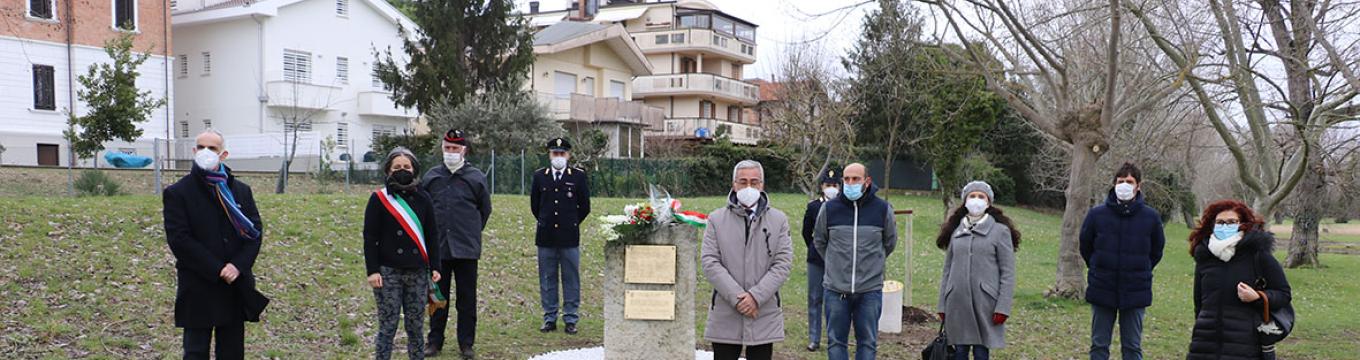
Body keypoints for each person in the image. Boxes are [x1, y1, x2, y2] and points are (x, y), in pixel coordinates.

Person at [163, 129, 267, 360]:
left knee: (231, 352)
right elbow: (179, 239)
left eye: (212, 148)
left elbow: (254, 233)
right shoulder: (178, 193)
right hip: (198, 285)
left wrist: (237, 266)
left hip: (234, 285)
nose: (205, 152)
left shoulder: (240, 191)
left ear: (223, 154)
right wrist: (217, 268)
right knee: (196, 351)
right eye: (201, 147)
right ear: (193, 151)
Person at [701, 160, 794, 360]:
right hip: (725, 310)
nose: (748, 187)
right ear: (734, 185)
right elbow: (710, 262)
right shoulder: (716, 219)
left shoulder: (779, 220)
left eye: (754, 182)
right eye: (743, 182)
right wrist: (738, 298)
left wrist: (755, 297)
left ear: (762, 185)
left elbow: (782, 263)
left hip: (763, 310)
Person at [1079, 162, 1166, 360]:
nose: (1124, 185)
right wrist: (1097, 266)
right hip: (1102, 286)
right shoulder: (1096, 215)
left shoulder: (1151, 217)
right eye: (1120, 181)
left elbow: (1156, 251)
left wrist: (1140, 270)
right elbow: (1085, 246)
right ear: (1114, 184)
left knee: (1132, 346)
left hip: (1136, 290)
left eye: (1129, 181)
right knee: (1099, 345)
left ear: (1138, 185)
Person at [1186, 200, 1292, 360]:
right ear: (1212, 225)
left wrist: (1258, 297)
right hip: (1205, 342)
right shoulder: (1204, 256)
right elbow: (1199, 302)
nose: (1225, 226)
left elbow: (1283, 294)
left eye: (1231, 222)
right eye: (1220, 222)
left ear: (1243, 224)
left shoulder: (1258, 254)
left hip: (1245, 342)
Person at [364, 147, 443, 360]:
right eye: (397, 167)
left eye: (406, 167)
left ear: (414, 169)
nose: (402, 170)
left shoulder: (424, 198)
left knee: (416, 327)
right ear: (388, 171)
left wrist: (436, 266)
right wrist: (372, 271)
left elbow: (432, 235)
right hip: (388, 272)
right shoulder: (379, 199)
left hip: (417, 271)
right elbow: (370, 238)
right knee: (388, 325)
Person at [813, 163, 897, 360]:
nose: (850, 183)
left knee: (868, 343)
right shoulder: (829, 209)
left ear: (866, 182)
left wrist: (872, 263)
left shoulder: (882, 209)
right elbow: (820, 240)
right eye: (847, 179)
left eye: (855, 179)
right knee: (835, 343)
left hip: (869, 290)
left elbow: (889, 242)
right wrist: (835, 262)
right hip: (836, 289)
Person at [422, 129, 492, 359]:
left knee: (466, 300)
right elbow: (423, 210)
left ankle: (466, 343)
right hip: (439, 250)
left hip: (466, 249)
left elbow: (484, 210)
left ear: (464, 150)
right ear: (442, 149)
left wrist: (470, 232)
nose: (451, 152)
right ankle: (434, 341)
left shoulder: (476, 178)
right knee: (437, 298)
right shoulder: (432, 177)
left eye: (455, 148)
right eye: (447, 148)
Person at [935, 181, 1020, 360]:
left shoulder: (1000, 231)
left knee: (981, 353)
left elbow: (1008, 273)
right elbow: (947, 269)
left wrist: (1003, 307)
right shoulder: (956, 230)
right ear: (965, 201)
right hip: (957, 303)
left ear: (988, 203)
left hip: (986, 305)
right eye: (972, 196)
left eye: (981, 197)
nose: (976, 200)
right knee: (959, 352)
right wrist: (943, 303)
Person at [530, 137, 591, 335]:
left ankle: (571, 318)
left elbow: (584, 207)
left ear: (568, 155)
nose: (558, 157)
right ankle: (550, 317)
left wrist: (571, 223)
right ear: (549, 155)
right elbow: (535, 206)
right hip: (546, 236)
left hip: (569, 236)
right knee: (547, 278)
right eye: (555, 153)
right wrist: (546, 221)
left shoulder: (578, 177)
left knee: (570, 278)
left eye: (561, 153)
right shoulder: (540, 176)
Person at [802, 168, 840, 352]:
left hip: (838, 261)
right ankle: (814, 338)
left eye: (834, 185)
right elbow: (806, 232)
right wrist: (816, 249)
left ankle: (834, 338)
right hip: (816, 260)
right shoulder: (813, 206)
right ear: (822, 187)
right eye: (828, 185)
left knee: (836, 301)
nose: (831, 188)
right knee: (815, 298)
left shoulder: (844, 207)